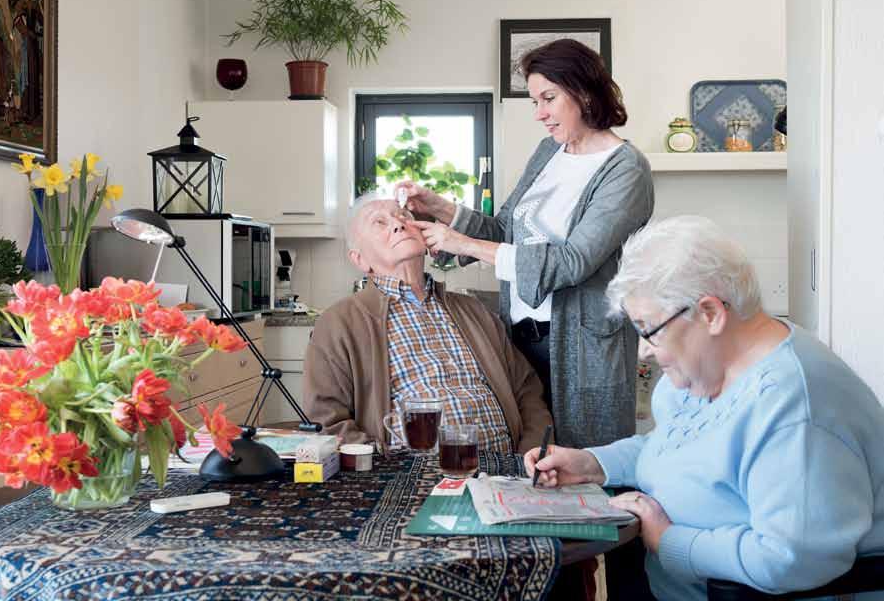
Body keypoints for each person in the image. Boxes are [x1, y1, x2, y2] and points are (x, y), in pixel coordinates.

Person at [525, 216, 884, 600]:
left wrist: (669, 540)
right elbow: (674, 446)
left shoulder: (795, 407)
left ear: (710, 313)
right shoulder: (707, 369)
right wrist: (592, 463)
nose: (644, 349)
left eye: (649, 329)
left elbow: (791, 558)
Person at [401, 38, 654, 451]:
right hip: (520, 339)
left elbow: (573, 262)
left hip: (581, 347)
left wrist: (461, 242)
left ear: (584, 92)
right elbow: (504, 230)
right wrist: (442, 209)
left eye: (548, 98)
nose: (540, 114)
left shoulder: (625, 169)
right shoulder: (548, 152)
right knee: (527, 460)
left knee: (583, 466)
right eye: (535, 101)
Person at [303, 196, 553, 454]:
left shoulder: (474, 310)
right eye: (379, 222)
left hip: (504, 472)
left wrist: (530, 453)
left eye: (403, 216)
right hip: (408, 478)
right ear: (360, 260)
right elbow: (328, 422)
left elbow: (527, 391)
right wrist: (383, 468)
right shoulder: (339, 323)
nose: (398, 224)